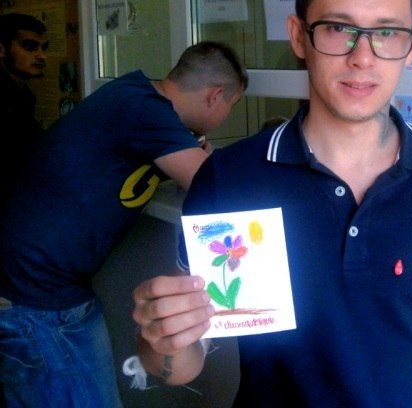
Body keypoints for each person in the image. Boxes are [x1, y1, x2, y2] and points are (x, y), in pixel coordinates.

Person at [133, 0, 412, 406]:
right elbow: (184, 361)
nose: (363, 57)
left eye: (386, 32)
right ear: (299, 36)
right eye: (339, 29)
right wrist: (163, 340)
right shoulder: (231, 178)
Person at [0, 41, 248, 407]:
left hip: (38, 284)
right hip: (36, 294)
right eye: (232, 104)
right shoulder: (146, 110)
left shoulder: (136, 96)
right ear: (215, 96)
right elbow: (216, 188)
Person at [0, 12, 48, 205]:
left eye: (44, 48)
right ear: (2, 49)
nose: (41, 56)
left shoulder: (24, 95)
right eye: (29, 46)